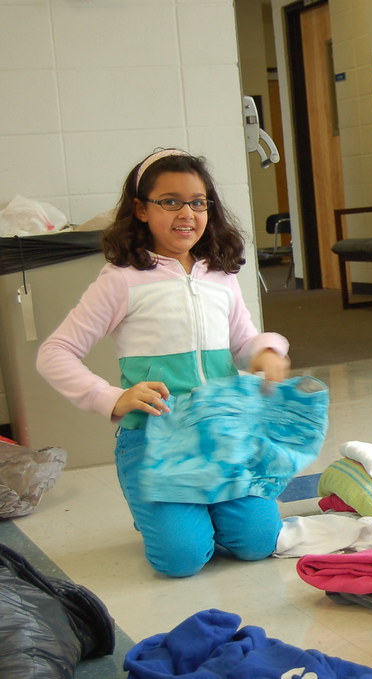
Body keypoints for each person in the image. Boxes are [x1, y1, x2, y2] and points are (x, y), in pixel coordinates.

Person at [37, 148, 291, 577]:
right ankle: (159, 509)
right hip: (156, 442)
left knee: (257, 543)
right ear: (140, 209)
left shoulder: (220, 275)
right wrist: (113, 398)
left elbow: (242, 340)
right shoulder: (120, 281)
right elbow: (54, 353)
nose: (186, 213)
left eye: (198, 201)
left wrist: (267, 352)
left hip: (222, 435)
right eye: (169, 201)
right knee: (182, 560)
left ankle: (203, 506)